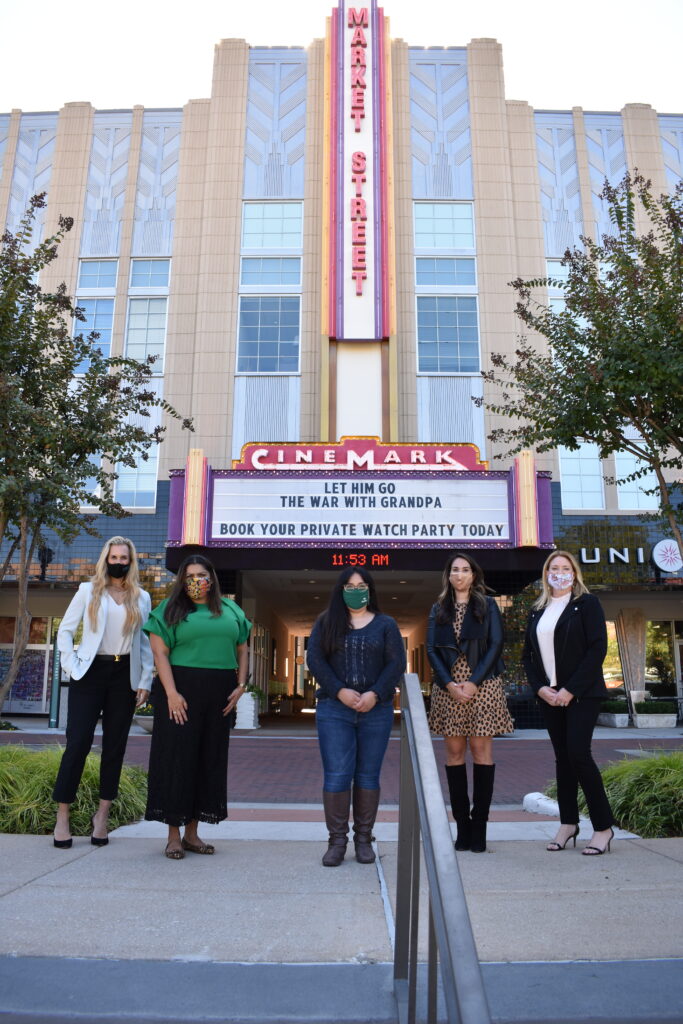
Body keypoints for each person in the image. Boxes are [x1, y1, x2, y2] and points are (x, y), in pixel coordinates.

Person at [143, 555, 251, 859]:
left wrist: (241, 685)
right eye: (189, 576)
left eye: (201, 574)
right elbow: (160, 655)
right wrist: (172, 694)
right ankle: (174, 836)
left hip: (219, 694)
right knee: (178, 760)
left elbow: (242, 648)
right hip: (180, 691)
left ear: (213, 578)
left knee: (208, 760)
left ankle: (193, 834)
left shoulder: (231, 609)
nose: (196, 581)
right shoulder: (169, 609)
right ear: (181, 580)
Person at [53, 536, 153, 848]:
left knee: (115, 748)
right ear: (105, 559)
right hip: (90, 673)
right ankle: (63, 816)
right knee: (78, 743)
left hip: (124, 676)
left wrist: (145, 681)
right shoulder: (88, 591)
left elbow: (145, 643)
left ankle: (102, 816)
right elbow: (65, 631)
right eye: (114, 557)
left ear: (131, 562)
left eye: (124, 558)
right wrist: (71, 665)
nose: (119, 562)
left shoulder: (142, 597)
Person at [307, 568, 406, 867]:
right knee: (337, 774)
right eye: (350, 586)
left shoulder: (386, 624)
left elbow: (396, 663)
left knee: (367, 776)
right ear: (340, 590)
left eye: (362, 585)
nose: (356, 590)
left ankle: (364, 839)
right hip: (335, 710)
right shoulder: (326, 622)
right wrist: (339, 691)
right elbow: (315, 659)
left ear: (370, 590)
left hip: (376, 711)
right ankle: (337, 841)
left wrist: (375, 693)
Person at [522, 550, 615, 855]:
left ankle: (603, 827)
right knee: (563, 759)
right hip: (549, 696)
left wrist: (570, 689)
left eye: (565, 568)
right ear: (546, 574)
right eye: (554, 568)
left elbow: (597, 649)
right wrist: (540, 689)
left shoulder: (586, 604)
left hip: (582, 693)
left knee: (578, 754)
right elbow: (528, 658)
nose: (559, 572)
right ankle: (568, 824)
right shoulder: (538, 610)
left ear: (574, 573)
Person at [427, 552, 512, 853]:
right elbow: (432, 650)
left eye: (465, 569)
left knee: (480, 750)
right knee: (454, 753)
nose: (460, 574)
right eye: (454, 570)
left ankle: (480, 829)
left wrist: (474, 681)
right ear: (448, 576)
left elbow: (497, 644)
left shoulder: (487, 605)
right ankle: (462, 828)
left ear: (473, 575)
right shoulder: (439, 608)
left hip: (483, 684)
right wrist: (450, 684)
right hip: (449, 688)